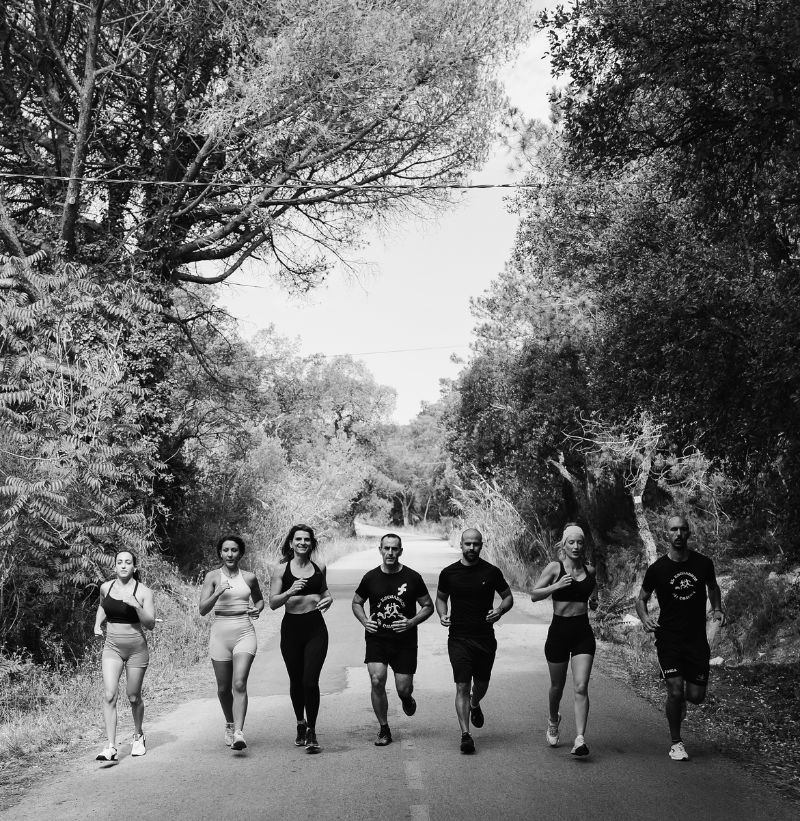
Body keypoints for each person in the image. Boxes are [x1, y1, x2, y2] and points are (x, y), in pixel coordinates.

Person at [636, 515, 726, 761]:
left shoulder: (703, 563)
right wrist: (644, 618)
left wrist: (717, 609)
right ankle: (676, 743)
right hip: (668, 638)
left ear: (689, 532)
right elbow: (641, 599)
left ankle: (680, 702)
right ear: (666, 534)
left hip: (696, 639)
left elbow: (712, 586)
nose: (678, 533)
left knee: (696, 696)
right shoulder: (657, 569)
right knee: (675, 691)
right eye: (673, 529)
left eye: (682, 529)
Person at [436, 528, 513, 754]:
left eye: (476, 544)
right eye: (468, 543)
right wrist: (442, 614)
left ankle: (475, 702)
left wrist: (499, 610)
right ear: (461, 544)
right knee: (462, 685)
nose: (471, 547)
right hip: (458, 638)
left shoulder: (491, 572)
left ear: (481, 545)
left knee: (481, 684)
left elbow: (508, 597)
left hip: (484, 638)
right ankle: (465, 735)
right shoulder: (449, 573)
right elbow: (440, 598)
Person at [352, 533, 434, 746]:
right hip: (377, 639)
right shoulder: (370, 577)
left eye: (394, 548)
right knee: (376, 680)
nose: (390, 552)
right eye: (386, 548)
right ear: (380, 549)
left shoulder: (412, 577)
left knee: (403, 689)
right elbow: (357, 602)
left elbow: (428, 606)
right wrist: (365, 621)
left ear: (400, 551)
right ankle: (384, 729)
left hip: (404, 642)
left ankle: (406, 698)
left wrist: (411, 622)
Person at [531, 524, 597, 757]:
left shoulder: (590, 570)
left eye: (580, 542)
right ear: (564, 545)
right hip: (559, 633)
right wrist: (557, 585)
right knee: (557, 687)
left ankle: (580, 739)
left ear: (583, 545)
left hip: (582, 633)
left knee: (581, 686)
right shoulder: (554, 568)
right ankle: (553, 719)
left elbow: (593, 594)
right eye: (571, 542)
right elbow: (534, 595)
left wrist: (595, 602)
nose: (576, 546)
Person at [269, 524, 333, 752]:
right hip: (291, 629)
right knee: (296, 681)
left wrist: (329, 599)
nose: (302, 543)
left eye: (307, 539)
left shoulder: (320, 567)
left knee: (310, 681)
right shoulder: (281, 570)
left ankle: (312, 731)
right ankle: (300, 723)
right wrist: (290, 591)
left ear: (311, 543)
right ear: (291, 543)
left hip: (316, 628)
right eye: (298, 539)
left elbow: (324, 592)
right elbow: (273, 603)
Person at [199, 535, 264, 751]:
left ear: (240, 553)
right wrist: (217, 592)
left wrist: (257, 609)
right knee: (223, 688)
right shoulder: (212, 577)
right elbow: (203, 609)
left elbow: (259, 600)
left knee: (239, 683)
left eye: (234, 550)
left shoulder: (249, 577)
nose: (229, 554)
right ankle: (229, 723)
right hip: (220, 634)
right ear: (220, 553)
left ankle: (238, 732)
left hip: (244, 631)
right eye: (225, 550)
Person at [94, 550, 156, 761]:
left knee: (133, 696)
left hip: (137, 650)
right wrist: (97, 624)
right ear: (114, 567)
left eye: (127, 562)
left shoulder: (144, 592)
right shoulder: (106, 587)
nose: (123, 565)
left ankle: (138, 736)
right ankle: (111, 747)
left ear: (134, 567)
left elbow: (150, 624)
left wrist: (136, 605)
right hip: (112, 647)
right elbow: (103, 605)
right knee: (109, 695)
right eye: (119, 562)